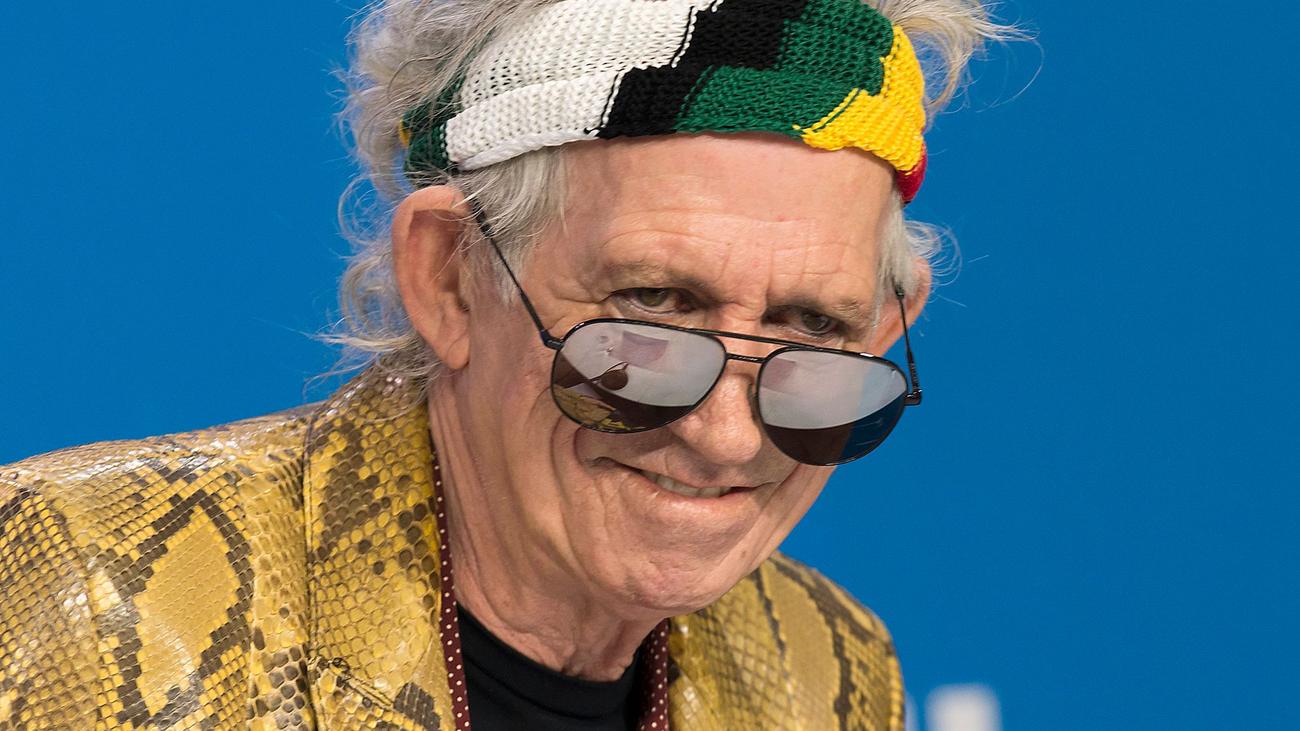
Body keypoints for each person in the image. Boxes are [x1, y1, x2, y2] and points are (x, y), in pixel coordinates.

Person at [0, 0, 1013, 728]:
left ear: (885, 330)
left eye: (810, 329)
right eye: (651, 307)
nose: (726, 435)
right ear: (449, 279)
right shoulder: (83, 588)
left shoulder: (829, 666)